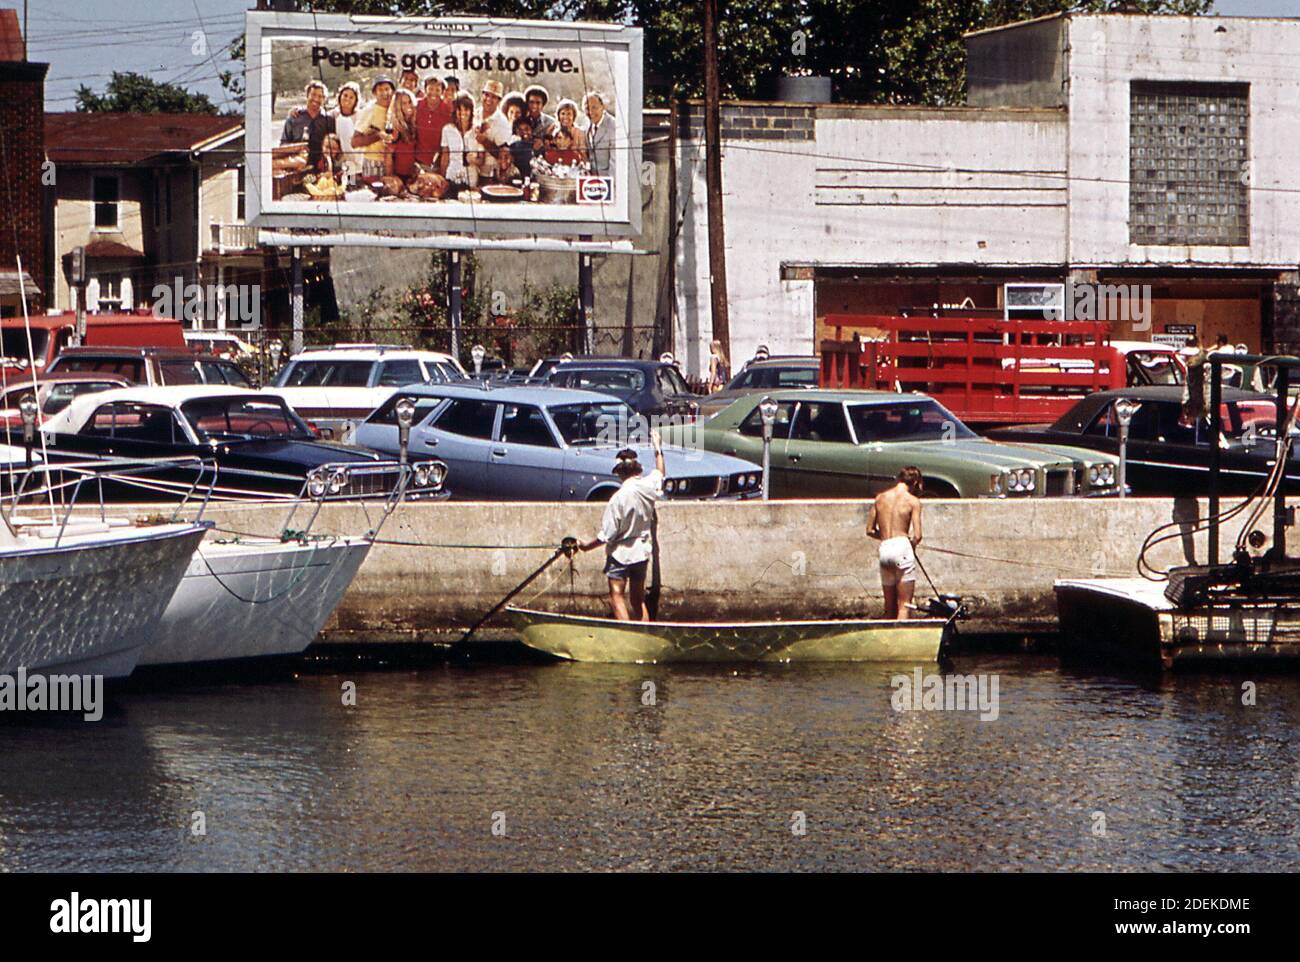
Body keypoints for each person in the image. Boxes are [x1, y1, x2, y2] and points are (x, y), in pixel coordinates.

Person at [579, 431, 666, 621]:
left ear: (619, 472)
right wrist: (657, 447)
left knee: (616, 595)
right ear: (638, 470)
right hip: (641, 551)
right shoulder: (648, 487)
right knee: (638, 599)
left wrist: (585, 546)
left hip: (620, 553)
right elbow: (660, 472)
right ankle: (644, 632)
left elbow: (607, 536)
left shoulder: (617, 499)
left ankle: (625, 631)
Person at [866, 467, 924, 620]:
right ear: (916, 482)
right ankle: (902, 642)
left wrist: (886, 536)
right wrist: (910, 545)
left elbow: (870, 530)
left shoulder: (880, 498)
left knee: (889, 607)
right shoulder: (913, 501)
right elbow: (917, 535)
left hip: (885, 547)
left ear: (899, 479)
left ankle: (887, 642)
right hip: (902, 547)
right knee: (904, 605)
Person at [280, 80, 336, 169]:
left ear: (324, 99)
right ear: (307, 95)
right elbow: (284, 143)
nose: (316, 99)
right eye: (313, 95)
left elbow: (333, 145)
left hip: (321, 167)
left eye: (320, 96)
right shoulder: (294, 117)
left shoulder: (329, 120)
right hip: (296, 166)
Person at [351, 76, 396, 172]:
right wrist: (378, 135)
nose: (384, 93)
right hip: (374, 162)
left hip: (393, 161)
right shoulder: (369, 111)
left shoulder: (395, 109)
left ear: (392, 91)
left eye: (387, 89)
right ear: (375, 93)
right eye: (380, 90)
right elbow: (354, 142)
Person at [440, 93, 483, 188]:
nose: (463, 113)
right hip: (452, 176)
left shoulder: (477, 131)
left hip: (470, 179)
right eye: (459, 110)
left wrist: (474, 160)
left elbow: (481, 161)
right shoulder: (447, 129)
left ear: (471, 111)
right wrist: (443, 178)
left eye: (466, 110)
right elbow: (445, 157)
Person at [415, 76, 452, 166]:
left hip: (438, 162)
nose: (433, 93)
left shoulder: (448, 110)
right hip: (417, 160)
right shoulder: (417, 105)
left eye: (437, 90)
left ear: (443, 92)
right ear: (425, 90)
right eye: (430, 89)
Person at [385, 88, 418, 179]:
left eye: (410, 102)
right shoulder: (395, 128)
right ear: (398, 106)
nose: (408, 106)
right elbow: (388, 156)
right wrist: (391, 179)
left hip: (412, 175)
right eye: (404, 103)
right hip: (399, 176)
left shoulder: (413, 124)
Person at [583, 90, 616, 178]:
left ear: (603, 107)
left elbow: (615, 162)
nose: (590, 112)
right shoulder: (586, 125)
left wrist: (611, 186)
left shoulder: (613, 126)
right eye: (587, 108)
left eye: (594, 107)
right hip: (590, 181)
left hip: (607, 180)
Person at [331, 81, 363, 173]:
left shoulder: (360, 116)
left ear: (355, 101)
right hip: (346, 162)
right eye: (345, 95)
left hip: (360, 161)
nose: (347, 99)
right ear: (340, 96)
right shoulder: (335, 114)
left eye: (351, 97)